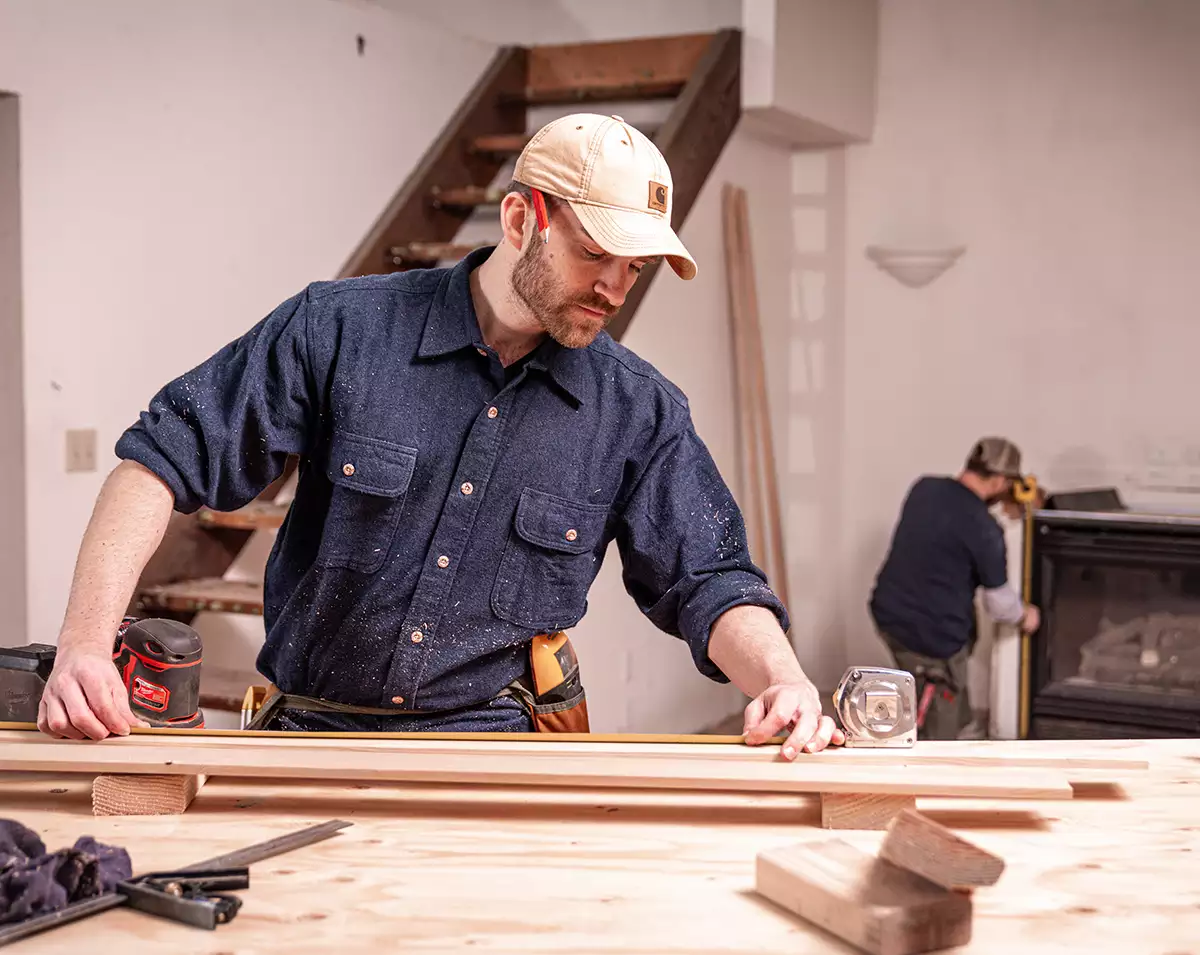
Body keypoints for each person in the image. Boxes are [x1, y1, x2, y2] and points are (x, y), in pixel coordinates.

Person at [38, 113, 843, 759]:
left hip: (495, 752)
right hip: (312, 739)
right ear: (523, 218)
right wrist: (82, 643)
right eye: (597, 254)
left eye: (636, 269)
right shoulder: (340, 329)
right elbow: (159, 461)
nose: (615, 288)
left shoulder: (638, 411)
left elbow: (711, 579)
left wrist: (783, 678)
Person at [868, 437, 1041, 740]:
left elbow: (947, 540)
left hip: (888, 614)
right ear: (1001, 480)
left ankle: (942, 720)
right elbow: (999, 606)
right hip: (932, 640)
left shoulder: (925, 488)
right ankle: (932, 754)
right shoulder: (986, 529)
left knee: (941, 695)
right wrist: (1026, 615)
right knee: (939, 724)